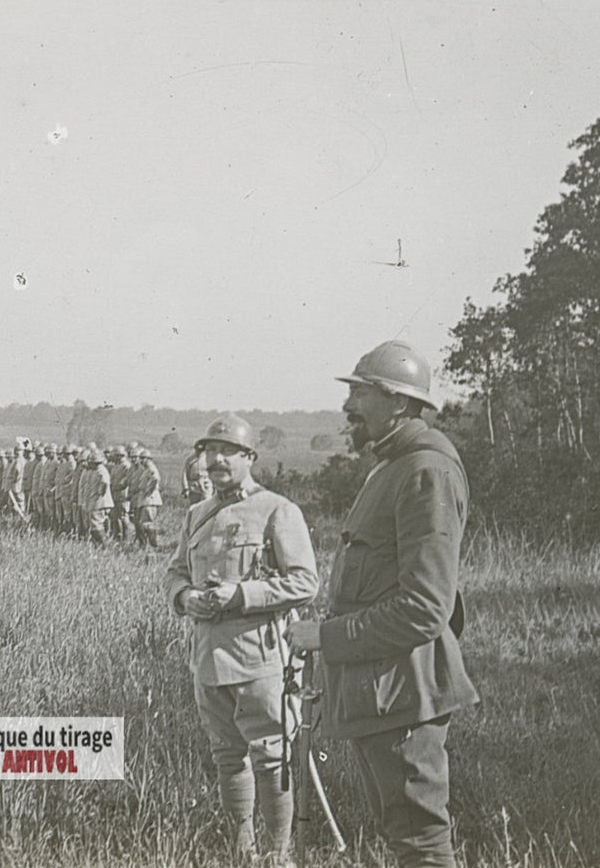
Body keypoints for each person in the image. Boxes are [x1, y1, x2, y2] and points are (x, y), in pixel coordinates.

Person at [286, 341, 479, 868]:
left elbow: (425, 608)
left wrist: (323, 639)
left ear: (396, 402)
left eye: (361, 393)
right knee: (404, 837)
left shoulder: (425, 472)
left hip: (405, 696)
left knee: (420, 843)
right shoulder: (392, 466)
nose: (349, 407)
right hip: (384, 693)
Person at [165, 413, 318, 866]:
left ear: (249, 457)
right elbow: (175, 572)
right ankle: (243, 845)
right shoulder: (198, 513)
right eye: (209, 452)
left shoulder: (277, 509)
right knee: (226, 755)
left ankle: (279, 853)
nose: (215, 460)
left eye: (227, 451)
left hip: (259, 658)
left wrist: (242, 594)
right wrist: (185, 596)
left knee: (271, 756)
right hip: (207, 659)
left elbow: (305, 583)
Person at [128, 445, 163, 551]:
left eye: (143, 458)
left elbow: (155, 479)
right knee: (142, 523)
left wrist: (149, 490)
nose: (141, 460)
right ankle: (145, 545)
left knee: (147, 524)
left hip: (150, 500)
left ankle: (153, 545)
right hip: (145, 499)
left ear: (149, 459)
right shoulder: (145, 469)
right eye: (141, 458)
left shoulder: (151, 468)